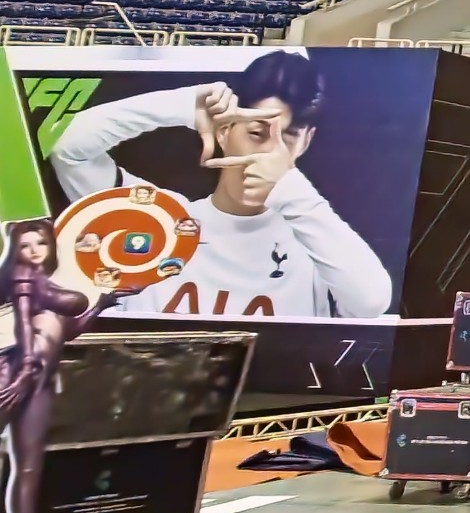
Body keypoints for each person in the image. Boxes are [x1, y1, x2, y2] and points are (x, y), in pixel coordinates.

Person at [48, 51, 392, 320]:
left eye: (288, 138)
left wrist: (290, 189)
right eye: (257, 133)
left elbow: (371, 303)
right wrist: (179, 106)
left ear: (306, 142)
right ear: (225, 130)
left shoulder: (316, 237)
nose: (269, 153)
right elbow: (68, 149)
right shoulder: (159, 217)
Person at [1, 220, 127, 513]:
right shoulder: (23, 278)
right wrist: (23, 375)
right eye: (25, 244)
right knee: (24, 476)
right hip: (16, 377)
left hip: (37, 383)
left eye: (40, 242)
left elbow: (67, 330)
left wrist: (103, 303)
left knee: (28, 475)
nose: (34, 250)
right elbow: (27, 335)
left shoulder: (44, 281)